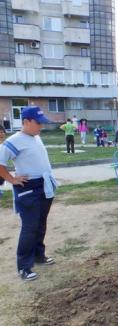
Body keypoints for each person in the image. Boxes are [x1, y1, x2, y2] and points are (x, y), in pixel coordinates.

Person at [0, 106, 57, 281]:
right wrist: (12, 179)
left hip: (44, 185)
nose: (41, 126)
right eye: (38, 123)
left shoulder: (36, 137)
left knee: (41, 224)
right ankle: (24, 266)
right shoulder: (14, 141)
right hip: (28, 188)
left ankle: (39, 255)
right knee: (30, 228)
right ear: (26, 122)